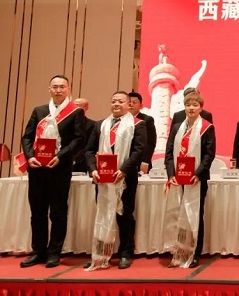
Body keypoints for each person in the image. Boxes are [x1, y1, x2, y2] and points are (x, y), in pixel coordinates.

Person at [19, 75, 86, 268]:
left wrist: (61, 156)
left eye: (62, 87)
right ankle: (38, 251)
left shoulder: (75, 112)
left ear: (68, 89)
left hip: (60, 167)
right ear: (49, 89)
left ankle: (54, 253)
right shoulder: (39, 111)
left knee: (58, 212)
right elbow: (27, 137)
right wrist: (29, 156)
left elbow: (79, 139)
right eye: (55, 87)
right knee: (37, 212)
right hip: (37, 168)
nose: (58, 90)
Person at [84, 91, 147, 270]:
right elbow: (89, 151)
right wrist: (93, 169)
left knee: (124, 216)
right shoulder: (100, 125)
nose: (116, 104)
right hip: (102, 178)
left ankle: (126, 253)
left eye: (120, 101)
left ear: (128, 104)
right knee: (103, 214)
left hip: (125, 178)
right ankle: (101, 253)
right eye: (113, 101)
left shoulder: (138, 125)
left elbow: (139, 150)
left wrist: (124, 170)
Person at [164, 91, 216, 268]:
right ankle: (179, 252)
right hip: (177, 179)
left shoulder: (207, 127)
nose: (191, 108)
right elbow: (169, 153)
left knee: (195, 215)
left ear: (201, 108)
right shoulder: (177, 127)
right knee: (179, 214)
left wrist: (198, 174)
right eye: (188, 105)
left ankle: (194, 253)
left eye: (195, 105)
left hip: (197, 179)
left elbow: (209, 155)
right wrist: (171, 175)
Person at [128, 92, 157, 174]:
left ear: (141, 106)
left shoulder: (147, 120)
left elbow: (151, 143)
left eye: (134, 102)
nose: (131, 104)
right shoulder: (121, 119)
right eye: (129, 102)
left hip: (140, 161)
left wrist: (145, 161)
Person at [72, 98, 97, 174]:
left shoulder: (93, 125)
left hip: (82, 161)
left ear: (86, 108)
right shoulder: (66, 122)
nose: (74, 108)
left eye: (77, 105)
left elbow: (90, 146)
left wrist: (75, 157)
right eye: (73, 105)